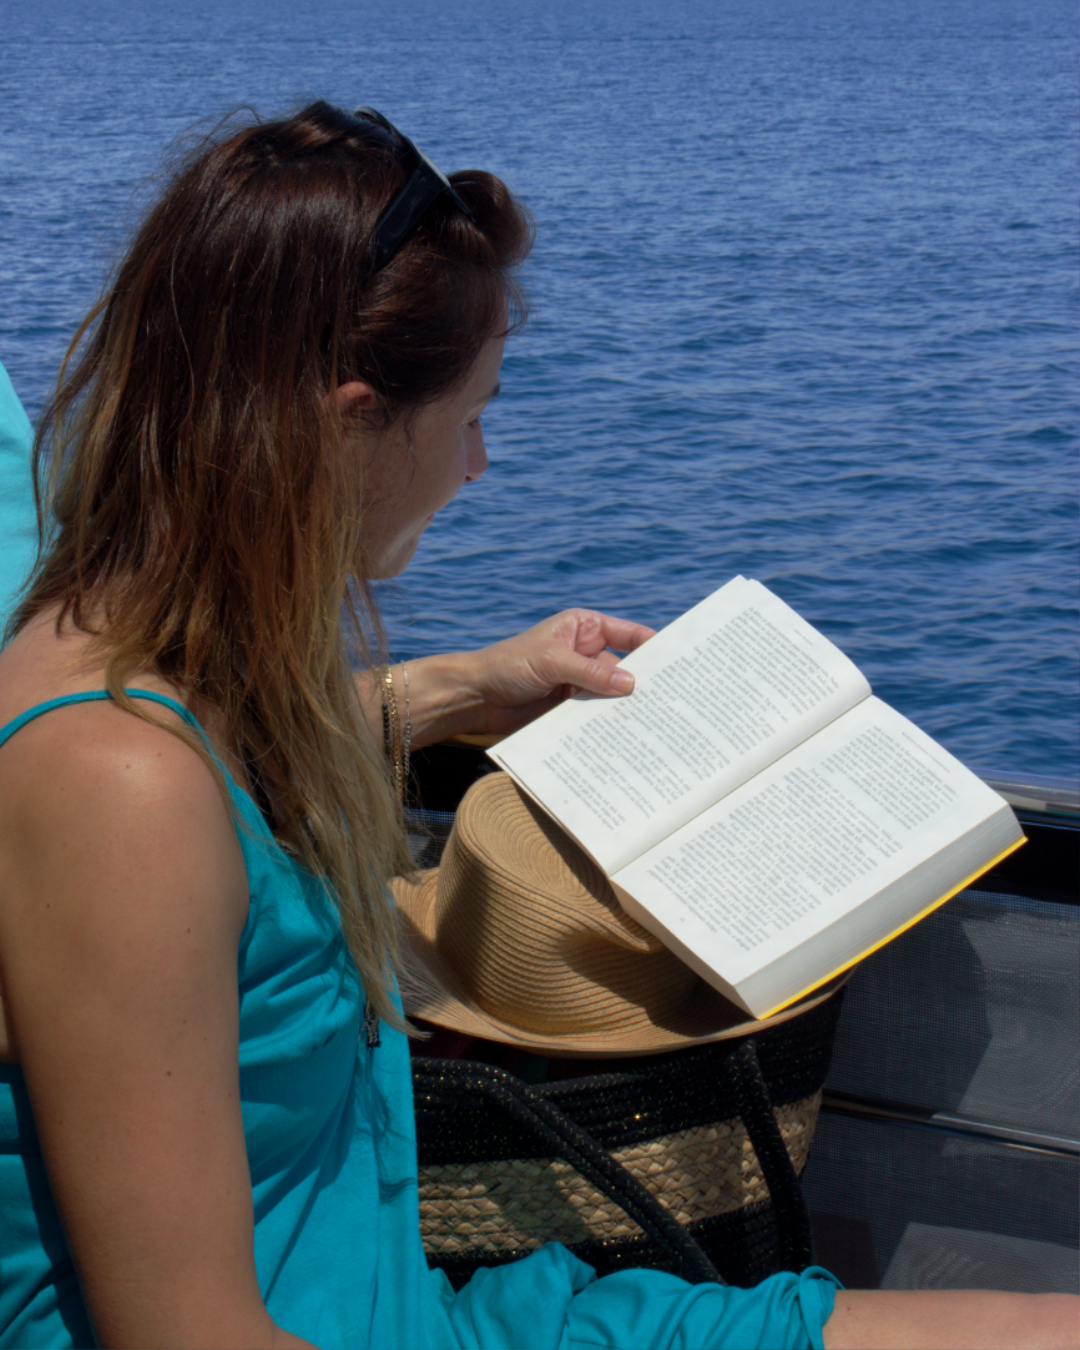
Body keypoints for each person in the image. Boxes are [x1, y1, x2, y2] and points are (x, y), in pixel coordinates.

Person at [0, 102, 1074, 1350]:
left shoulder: (133, 643)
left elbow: (220, 783)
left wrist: (468, 684)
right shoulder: (111, 783)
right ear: (345, 422)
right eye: (470, 414)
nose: (479, 464)